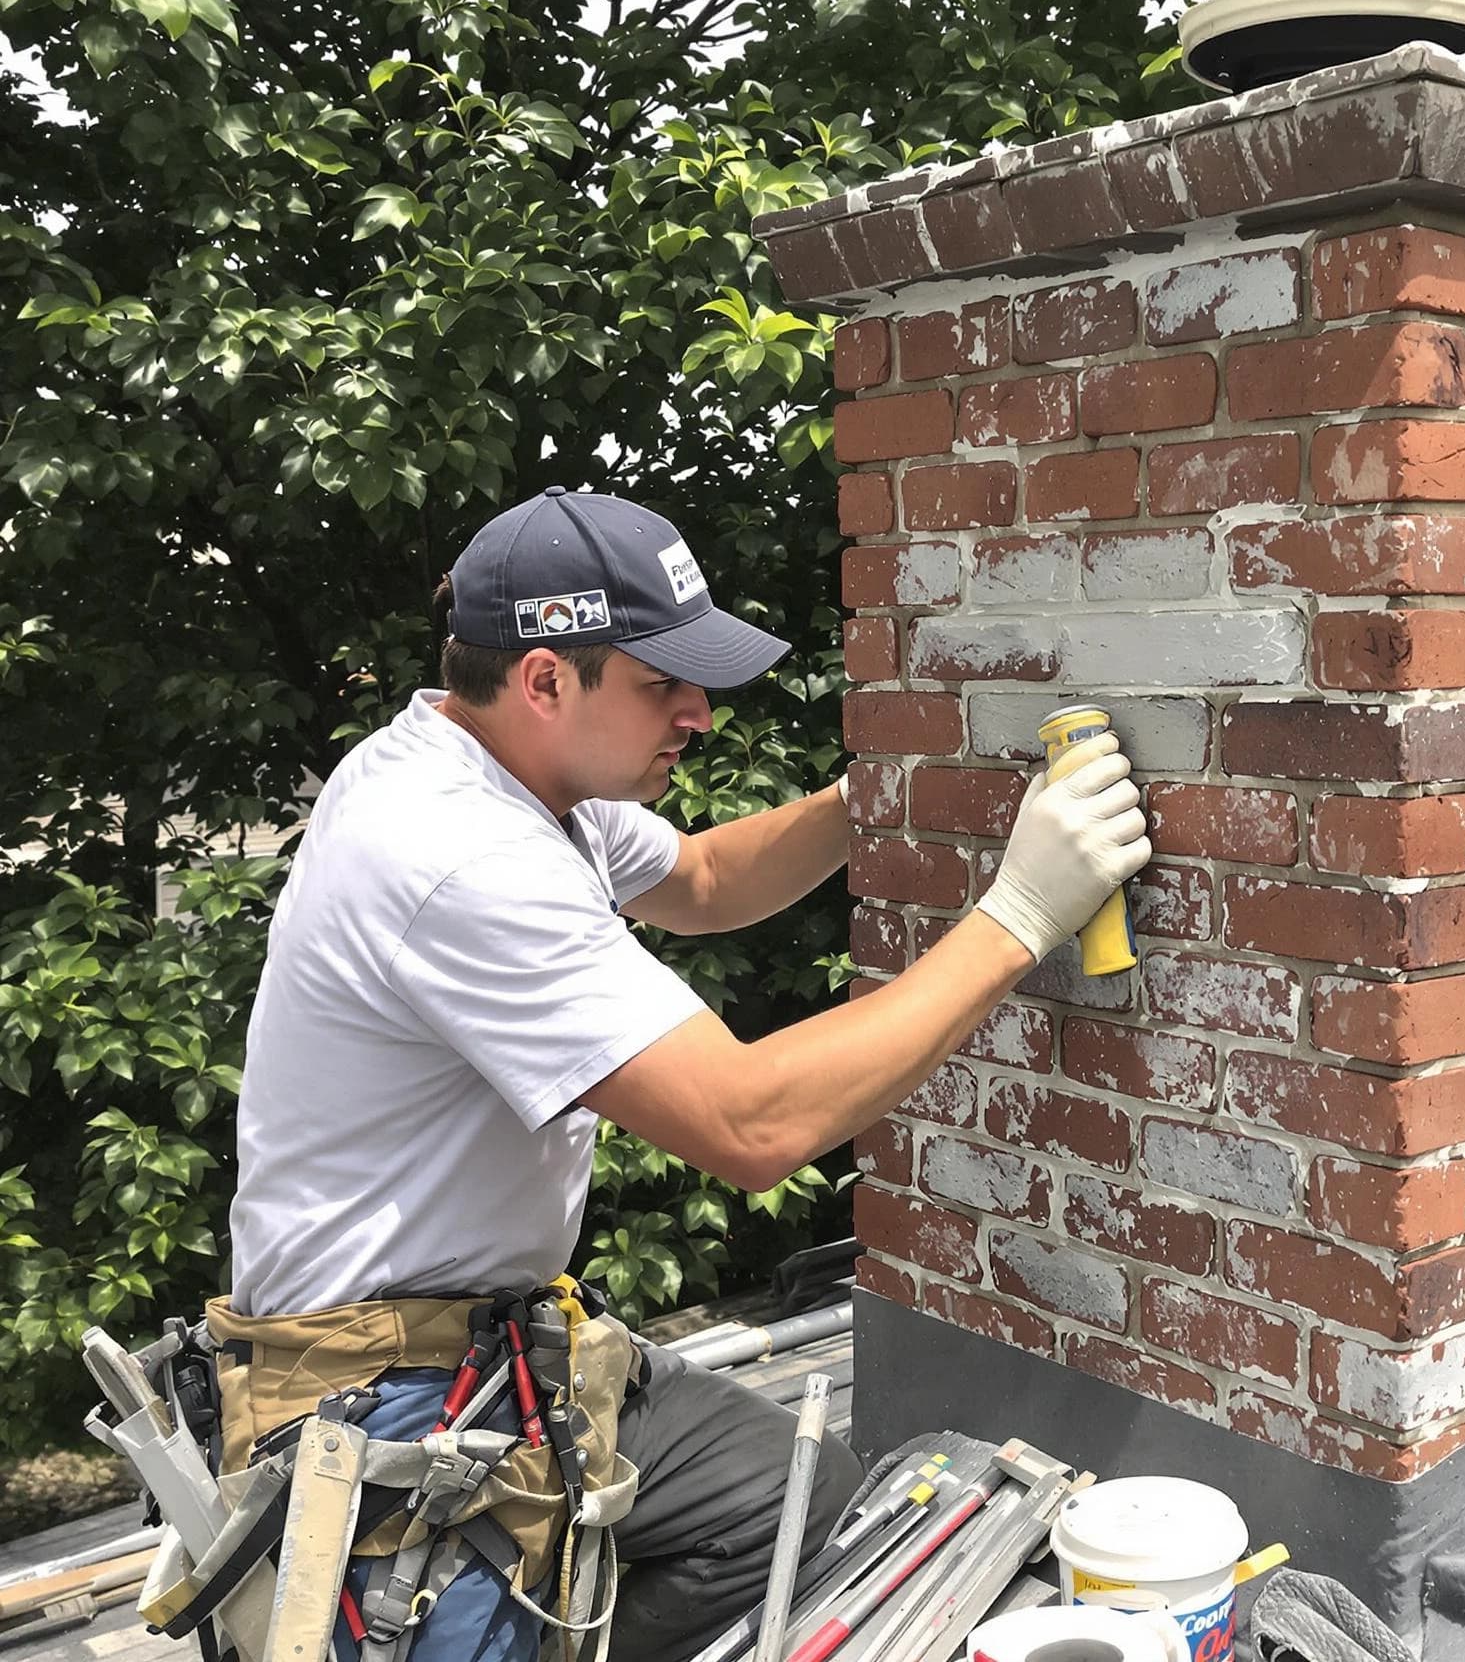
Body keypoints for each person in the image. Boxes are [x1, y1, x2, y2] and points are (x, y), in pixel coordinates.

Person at [219, 485, 1150, 1662]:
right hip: (389, 1394)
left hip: (490, 1344)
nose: (701, 712)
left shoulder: (521, 775)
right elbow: (749, 1122)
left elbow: (705, 882)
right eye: (665, 683)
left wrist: (873, 799)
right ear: (548, 679)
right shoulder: (451, 852)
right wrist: (1021, 911)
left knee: (787, 1494)